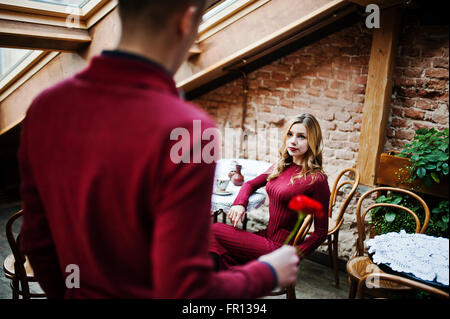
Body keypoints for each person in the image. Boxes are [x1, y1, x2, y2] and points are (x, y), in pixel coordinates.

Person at [18, 0, 299, 299]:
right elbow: (185, 289)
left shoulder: (45, 107)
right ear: (186, 20)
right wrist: (267, 273)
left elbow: (37, 244)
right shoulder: (187, 130)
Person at [209, 113, 330, 270]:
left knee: (214, 230)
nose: (293, 141)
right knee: (218, 250)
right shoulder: (282, 165)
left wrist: (295, 255)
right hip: (266, 236)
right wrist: (240, 204)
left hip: (280, 247)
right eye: (290, 134)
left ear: (312, 141)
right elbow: (250, 184)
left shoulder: (317, 179)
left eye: (301, 137)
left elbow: (320, 233)